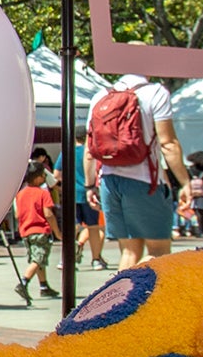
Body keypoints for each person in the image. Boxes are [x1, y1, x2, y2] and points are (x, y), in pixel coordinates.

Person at [84, 72, 192, 270]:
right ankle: (145, 299)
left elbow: (89, 150)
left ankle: (120, 299)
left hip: (109, 181)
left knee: (129, 252)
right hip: (144, 181)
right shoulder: (156, 93)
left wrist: (90, 185)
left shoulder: (100, 96)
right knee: (159, 253)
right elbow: (168, 143)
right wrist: (185, 182)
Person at [57, 124, 106, 270]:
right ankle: (96, 259)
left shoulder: (66, 152)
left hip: (71, 194)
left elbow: (56, 174)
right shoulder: (90, 152)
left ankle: (65, 259)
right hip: (89, 193)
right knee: (93, 227)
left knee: (73, 227)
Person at [13, 161, 61, 304]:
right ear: (38, 177)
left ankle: (44, 285)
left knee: (37, 258)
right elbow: (48, 214)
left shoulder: (20, 194)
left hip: (26, 231)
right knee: (38, 259)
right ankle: (23, 282)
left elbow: (17, 214)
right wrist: (57, 232)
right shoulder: (43, 194)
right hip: (40, 230)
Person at [185, 150, 203, 239]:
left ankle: (190, 229)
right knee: (202, 212)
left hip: (191, 193)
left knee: (190, 212)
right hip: (202, 194)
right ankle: (202, 230)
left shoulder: (190, 169)